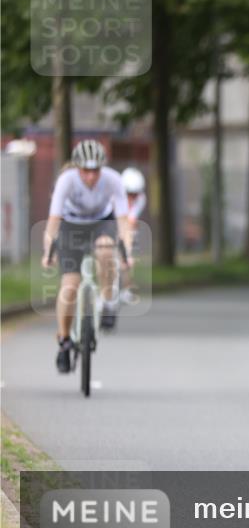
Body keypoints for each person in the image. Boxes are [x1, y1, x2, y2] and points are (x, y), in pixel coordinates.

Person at [42, 140, 133, 373]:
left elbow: (123, 220)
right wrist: (48, 251)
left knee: (105, 249)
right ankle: (63, 341)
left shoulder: (113, 180)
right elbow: (54, 220)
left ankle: (108, 301)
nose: (91, 176)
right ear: (77, 167)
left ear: (102, 168)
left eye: (95, 170)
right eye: (86, 171)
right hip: (71, 226)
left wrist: (127, 251)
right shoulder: (67, 180)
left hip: (101, 223)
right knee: (70, 285)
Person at [119, 167, 147, 304]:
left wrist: (127, 249)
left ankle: (126, 288)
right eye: (129, 194)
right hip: (113, 224)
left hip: (129, 227)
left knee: (128, 258)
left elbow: (131, 221)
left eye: (135, 194)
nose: (132, 197)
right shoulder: (116, 196)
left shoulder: (141, 199)